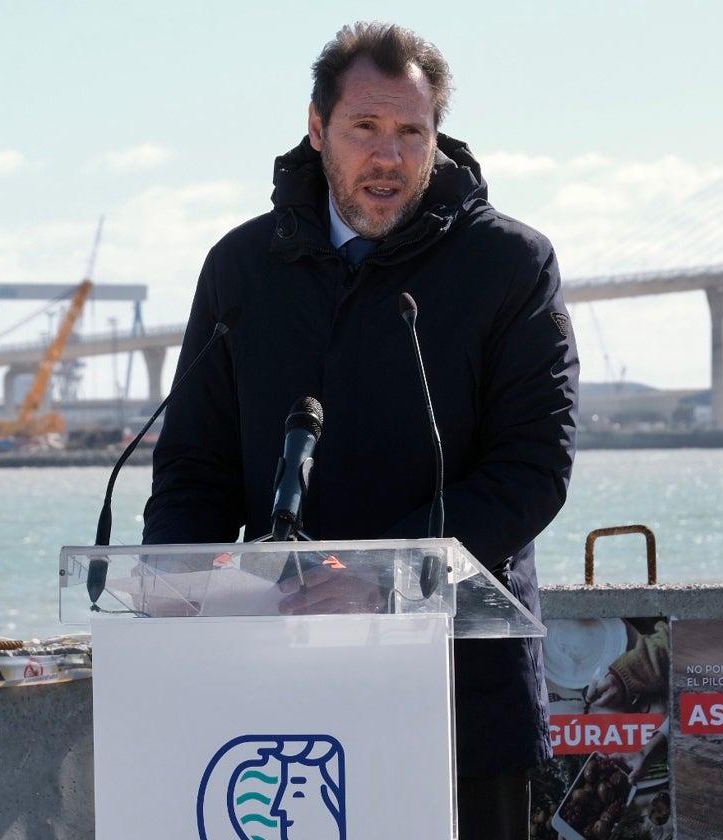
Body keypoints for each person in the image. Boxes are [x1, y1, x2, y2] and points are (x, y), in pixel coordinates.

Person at [143, 21, 579, 840]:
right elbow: (194, 471)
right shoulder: (239, 269)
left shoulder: (512, 265)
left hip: (462, 696)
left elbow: (533, 471)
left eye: (412, 132)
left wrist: (381, 576)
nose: (390, 157)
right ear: (318, 130)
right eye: (365, 129)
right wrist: (179, 591)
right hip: (275, 696)